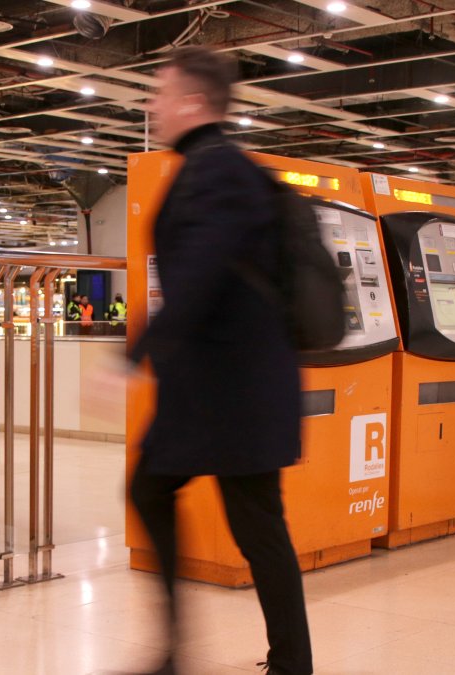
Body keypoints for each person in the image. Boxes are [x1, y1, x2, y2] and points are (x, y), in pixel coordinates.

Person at [126, 46, 312, 675]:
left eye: (160, 92)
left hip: (230, 393)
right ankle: (270, 659)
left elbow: (200, 272)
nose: (152, 105)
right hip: (228, 390)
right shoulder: (214, 165)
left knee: (239, 518)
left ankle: (189, 652)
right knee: (252, 522)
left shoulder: (217, 169)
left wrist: (134, 356)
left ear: (193, 101)